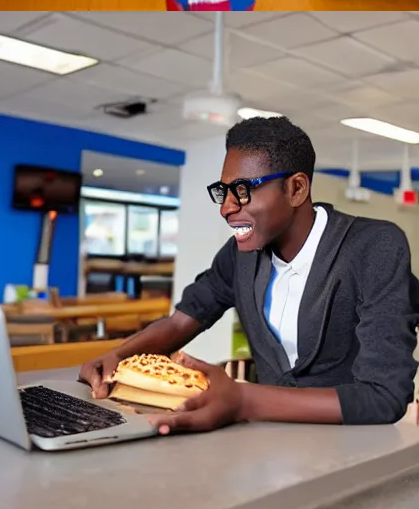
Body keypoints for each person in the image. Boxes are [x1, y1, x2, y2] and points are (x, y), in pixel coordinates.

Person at [79, 115, 419, 432]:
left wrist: (244, 399)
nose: (227, 208)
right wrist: (116, 356)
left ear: (296, 189)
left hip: (352, 449)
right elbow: (181, 322)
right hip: (268, 444)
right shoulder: (240, 257)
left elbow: (384, 396)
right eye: (224, 192)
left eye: (243, 190)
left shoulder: (373, 246)